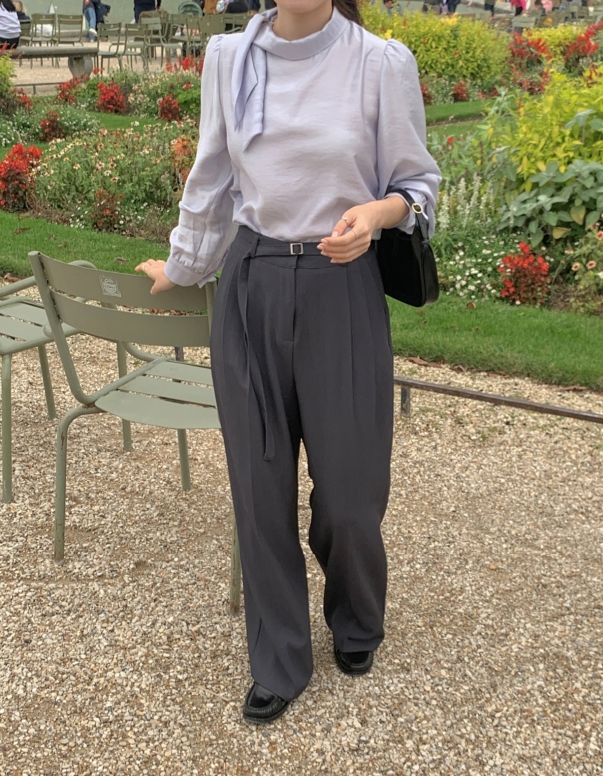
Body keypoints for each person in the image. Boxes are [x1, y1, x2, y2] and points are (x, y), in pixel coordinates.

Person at [136, 0, 440, 725]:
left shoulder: (379, 62)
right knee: (259, 483)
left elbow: (417, 186)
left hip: (343, 286)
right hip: (252, 283)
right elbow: (212, 178)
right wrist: (183, 265)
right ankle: (278, 656)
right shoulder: (229, 58)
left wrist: (377, 214)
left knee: (351, 494)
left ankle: (357, 616)